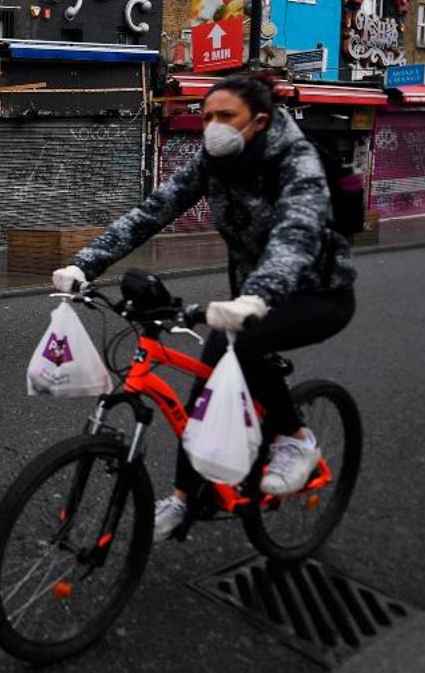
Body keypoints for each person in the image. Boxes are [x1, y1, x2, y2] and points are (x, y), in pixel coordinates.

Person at [52, 73, 357, 541]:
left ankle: (297, 440)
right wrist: (85, 264)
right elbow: (153, 211)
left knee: (251, 346)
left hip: (317, 293)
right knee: (204, 399)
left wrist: (259, 296)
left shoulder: (298, 161)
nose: (212, 125)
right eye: (207, 115)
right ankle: (181, 500)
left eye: (225, 116)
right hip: (250, 295)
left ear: (259, 120)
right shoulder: (213, 161)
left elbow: (296, 234)